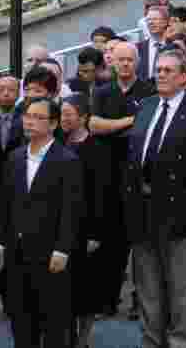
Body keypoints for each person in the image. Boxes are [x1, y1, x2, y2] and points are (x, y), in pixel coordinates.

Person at [125, 50, 186, 347]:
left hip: (179, 210)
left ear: (184, 76)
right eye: (158, 70)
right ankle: (151, 339)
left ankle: (179, 340)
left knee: (178, 284)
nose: (160, 75)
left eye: (168, 71)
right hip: (142, 207)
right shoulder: (147, 106)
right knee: (147, 284)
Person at [0, 97, 83, 348]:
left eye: (38, 117)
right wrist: (0, 240)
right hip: (16, 251)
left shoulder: (67, 160)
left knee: (54, 322)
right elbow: (5, 203)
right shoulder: (15, 157)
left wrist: (63, 248)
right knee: (20, 320)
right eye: (27, 116)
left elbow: (71, 209)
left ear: (53, 123)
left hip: (50, 252)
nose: (30, 122)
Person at [88, 41, 155, 318]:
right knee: (111, 245)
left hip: (140, 175)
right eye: (120, 59)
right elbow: (93, 125)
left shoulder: (148, 91)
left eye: (130, 60)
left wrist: (112, 126)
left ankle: (142, 302)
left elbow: (146, 127)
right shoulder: (102, 91)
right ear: (112, 62)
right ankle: (107, 300)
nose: (125, 64)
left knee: (141, 245)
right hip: (108, 175)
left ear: (137, 62)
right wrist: (128, 121)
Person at [58, 95, 110, 348]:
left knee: (87, 292)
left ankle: (82, 340)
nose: (64, 118)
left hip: (86, 229)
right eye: (61, 114)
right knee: (63, 291)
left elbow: (100, 195)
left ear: (83, 117)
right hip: (59, 228)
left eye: (69, 114)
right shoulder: (56, 143)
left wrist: (95, 234)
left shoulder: (96, 150)